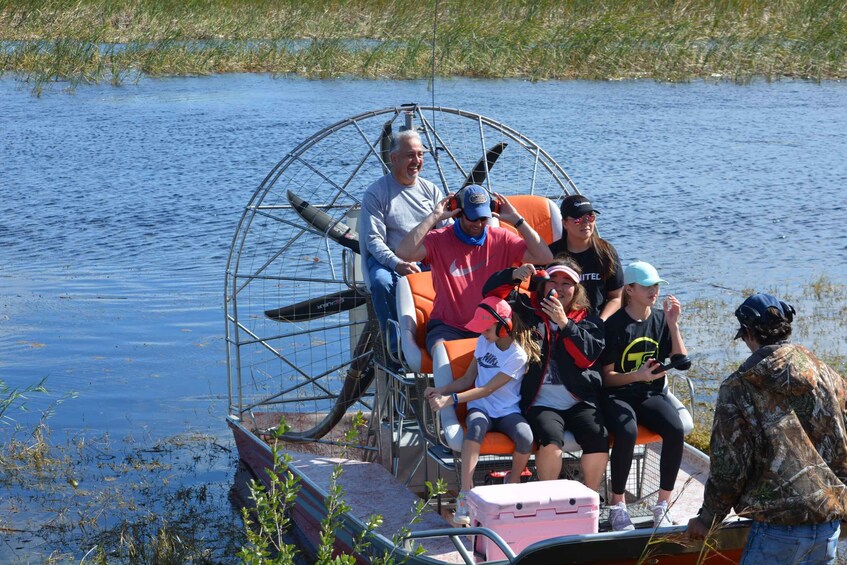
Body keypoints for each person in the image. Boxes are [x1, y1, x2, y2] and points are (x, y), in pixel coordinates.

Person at [687, 293, 847, 564]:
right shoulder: (829, 377)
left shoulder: (738, 387)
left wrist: (707, 518)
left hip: (776, 529)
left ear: (748, 333)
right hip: (828, 525)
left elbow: (729, 466)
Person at [484, 259, 609, 493]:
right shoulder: (527, 312)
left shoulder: (590, 321)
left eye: (567, 283)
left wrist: (564, 323)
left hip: (579, 400)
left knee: (597, 436)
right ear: (542, 284)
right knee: (551, 441)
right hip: (541, 403)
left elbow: (586, 357)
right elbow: (490, 295)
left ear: (577, 290)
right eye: (554, 280)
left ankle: (591, 498)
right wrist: (514, 275)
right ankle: (551, 501)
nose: (560, 288)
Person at [395, 184, 553, 355]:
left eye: (483, 218)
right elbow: (404, 252)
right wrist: (434, 217)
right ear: (458, 212)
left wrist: (517, 220)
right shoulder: (438, 239)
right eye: (473, 218)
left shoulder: (502, 239)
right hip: (448, 328)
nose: (478, 224)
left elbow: (544, 257)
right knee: (443, 356)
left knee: (521, 355)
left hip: (492, 326)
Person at [424, 297, 538, 525]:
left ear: (504, 327)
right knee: (474, 428)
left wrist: (451, 400)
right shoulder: (482, 342)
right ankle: (466, 493)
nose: (483, 334)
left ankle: (512, 482)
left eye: (486, 329)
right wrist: (440, 389)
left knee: (526, 437)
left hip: (507, 411)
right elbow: (468, 379)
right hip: (481, 408)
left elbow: (487, 389)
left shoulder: (518, 355)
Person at [599, 260, 691, 531]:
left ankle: (662, 504)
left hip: (649, 392)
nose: (654, 291)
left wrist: (673, 325)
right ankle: (618, 505)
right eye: (647, 286)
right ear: (629, 289)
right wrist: (637, 376)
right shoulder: (614, 325)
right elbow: (606, 378)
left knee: (675, 429)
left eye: (657, 286)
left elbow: (681, 360)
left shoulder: (661, 319)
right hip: (618, 394)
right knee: (627, 431)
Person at [361, 129, 445, 356]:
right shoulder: (376, 193)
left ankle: (441, 339)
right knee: (380, 282)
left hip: (425, 258)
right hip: (389, 261)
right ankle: (397, 348)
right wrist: (396, 263)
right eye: (410, 155)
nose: (416, 161)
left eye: (420, 155)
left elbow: (444, 233)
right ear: (394, 158)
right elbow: (373, 240)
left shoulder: (431, 191)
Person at [548, 194, 623, 320]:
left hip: (596, 324)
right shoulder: (551, 254)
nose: (586, 222)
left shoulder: (606, 252)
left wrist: (601, 322)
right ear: (565, 223)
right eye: (578, 218)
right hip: (559, 322)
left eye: (590, 216)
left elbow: (617, 297)